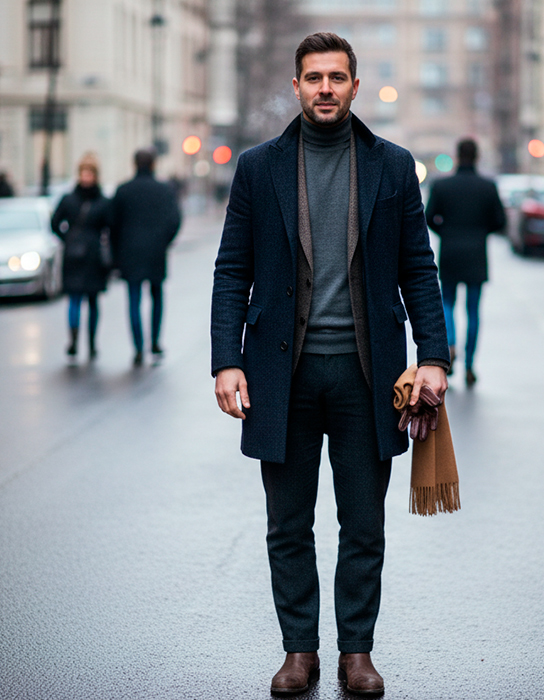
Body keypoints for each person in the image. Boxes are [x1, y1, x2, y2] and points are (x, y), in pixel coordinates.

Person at [211, 32, 449, 696]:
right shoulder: (258, 167)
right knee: (287, 524)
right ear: (296, 87)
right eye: (313, 78)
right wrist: (226, 362)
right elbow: (231, 271)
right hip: (279, 374)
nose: (325, 88)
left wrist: (434, 357)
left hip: (366, 375)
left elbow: (418, 269)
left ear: (354, 87)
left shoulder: (392, 165)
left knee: (363, 524)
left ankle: (356, 653)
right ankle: (299, 652)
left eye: (336, 78)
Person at [424, 138, 505, 387]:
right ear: (477, 156)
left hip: (450, 252)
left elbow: (429, 217)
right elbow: (500, 221)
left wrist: (446, 232)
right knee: (473, 311)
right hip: (476, 254)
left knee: (447, 303)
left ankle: (449, 345)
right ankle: (470, 364)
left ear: (457, 156)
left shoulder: (442, 185)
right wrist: (480, 232)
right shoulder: (488, 186)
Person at [108, 149, 181, 367]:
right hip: (156, 251)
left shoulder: (123, 190)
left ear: (134, 164)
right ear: (153, 164)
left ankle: (138, 347)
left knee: (134, 300)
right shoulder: (164, 189)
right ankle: (155, 342)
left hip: (130, 252)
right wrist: (164, 241)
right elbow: (175, 220)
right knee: (157, 297)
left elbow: (112, 224)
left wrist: (116, 252)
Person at [51, 154, 109, 361]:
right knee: (75, 299)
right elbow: (54, 223)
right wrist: (68, 239)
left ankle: (91, 343)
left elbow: (110, 226)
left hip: (91, 257)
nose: (86, 177)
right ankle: (74, 341)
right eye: (84, 173)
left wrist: (69, 238)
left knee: (92, 301)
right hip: (76, 256)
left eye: (89, 173)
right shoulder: (72, 199)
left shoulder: (101, 201)